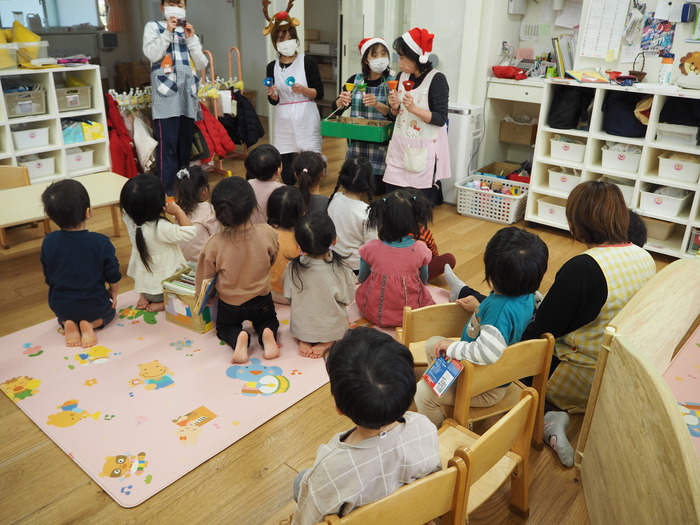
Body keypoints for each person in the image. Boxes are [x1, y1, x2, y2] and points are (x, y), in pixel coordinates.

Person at [522, 181, 656, 467]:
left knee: (507, 356)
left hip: (574, 380)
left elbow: (542, 332)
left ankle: (549, 415)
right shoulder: (644, 257)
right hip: (613, 376)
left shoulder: (583, 268)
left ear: (576, 224)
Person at [291, 326, 441, 525]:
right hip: (411, 514)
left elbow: (308, 520)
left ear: (338, 407)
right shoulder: (424, 427)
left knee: (300, 481)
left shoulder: (329, 468)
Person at [414, 227, 549, 428]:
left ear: (493, 274)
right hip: (493, 373)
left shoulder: (499, 312)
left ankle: (442, 431)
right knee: (432, 345)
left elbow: (487, 352)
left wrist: (452, 347)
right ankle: (449, 398)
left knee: (422, 394)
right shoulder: (529, 295)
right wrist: (480, 308)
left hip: (485, 386)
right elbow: (507, 323)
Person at [196, 176, 280, 364]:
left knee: (224, 328)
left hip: (230, 304)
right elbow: (272, 258)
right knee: (269, 320)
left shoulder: (214, 243)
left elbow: (204, 278)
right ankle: (267, 332)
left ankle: (238, 338)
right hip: (261, 298)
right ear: (252, 207)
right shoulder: (267, 232)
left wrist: (203, 297)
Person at [40, 180, 121, 348]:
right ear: (88, 212)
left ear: (52, 217)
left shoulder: (49, 242)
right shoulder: (101, 242)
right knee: (111, 311)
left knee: (65, 312)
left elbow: (48, 275)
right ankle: (90, 324)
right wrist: (113, 291)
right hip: (95, 306)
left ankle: (67, 322)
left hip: (61, 305)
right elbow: (112, 273)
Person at [143, 0, 208, 195]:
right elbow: (152, 54)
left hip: (187, 95)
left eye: (180, 4)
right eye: (172, 3)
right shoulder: (153, 27)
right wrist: (167, 33)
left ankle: (185, 190)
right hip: (166, 96)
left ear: (185, 7)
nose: (176, 8)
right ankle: (167, 192)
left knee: (184, 147)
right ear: (162, 7)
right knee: (168, 146)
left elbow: (202, 63)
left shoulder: (188, 31)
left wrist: (191, 39)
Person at [384, 28, 450, 206]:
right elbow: (394, 116)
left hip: (423, 147)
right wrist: (394, 108)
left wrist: (413, 108)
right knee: (393, 200)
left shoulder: (437, 79)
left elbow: (440, 118)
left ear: (416, 57)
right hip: (400, 144)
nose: (399, 62)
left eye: (402, 57)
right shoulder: (401, 76)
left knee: (417, 204)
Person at [263, 2, 323, 186]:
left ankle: (311, 188)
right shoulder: (272, 67)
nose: (286, 43)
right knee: (287, 171)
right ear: (275, 43)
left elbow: (319, 93)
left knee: (310, 163)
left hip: (306, 115)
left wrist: (303, 90)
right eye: (281, 40)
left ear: (295, 39)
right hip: (284, 118)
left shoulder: (308, 62)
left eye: (290, 38)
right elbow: (274, 100)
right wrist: (273, 95)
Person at [354, 189, 435, 327]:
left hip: (374, 313)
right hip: (410, 313)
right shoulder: (421, 249)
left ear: (383, 217)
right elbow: (423, 280)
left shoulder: (370, 247)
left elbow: (361, 278)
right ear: (415, 219)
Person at [283, 212, 355, 358]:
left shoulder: (292, 268)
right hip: (331, 329)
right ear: (334, 240)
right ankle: (327, 341)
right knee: (343, 321)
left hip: (301, 328)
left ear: (298, 245)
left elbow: (288, 297)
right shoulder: (342, 269)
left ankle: (304, 339)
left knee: (303, 310)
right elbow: (348, 299)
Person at [121, 174, 195, 312]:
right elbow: (190, 232)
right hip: (163, 289)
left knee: (148, 272)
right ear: (158, 204)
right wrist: (178, 211)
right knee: (186, 293)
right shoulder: (161, 227)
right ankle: (164, 304)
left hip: (145, 286)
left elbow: (126, 208)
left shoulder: (130, 221)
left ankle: (144, 296)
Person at [333, 37, 396, 195]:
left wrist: (377, 104)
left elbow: (396, 116)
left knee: (376, 190)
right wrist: (341, 101)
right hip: (357, 144)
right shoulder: (355, 80)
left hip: (381, 146)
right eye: (374, 55)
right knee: (353, 185)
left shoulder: (392, 82)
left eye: (383, 54)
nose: (380, 58)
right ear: (366, 60)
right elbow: (336, 110)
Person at [326, 156, 377, 273]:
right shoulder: (366, 212)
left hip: (334, 259)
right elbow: (372, 245)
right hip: (357, 266)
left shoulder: (335, 199)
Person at [174, 166, 220, 262]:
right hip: (203, 262)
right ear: (205, 191)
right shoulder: (209, 210)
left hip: (183, 261)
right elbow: (217, 237)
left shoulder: (178, 210)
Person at [268, 186, 304, 305]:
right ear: (301, 213)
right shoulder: (302, 242)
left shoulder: (263, 234)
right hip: (292, 297)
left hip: (267, 292)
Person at [246, 144, 285, 224]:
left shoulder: (248, 184)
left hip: (250, 227)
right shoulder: (283, 190)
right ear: (278, 170)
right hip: (271, 229)